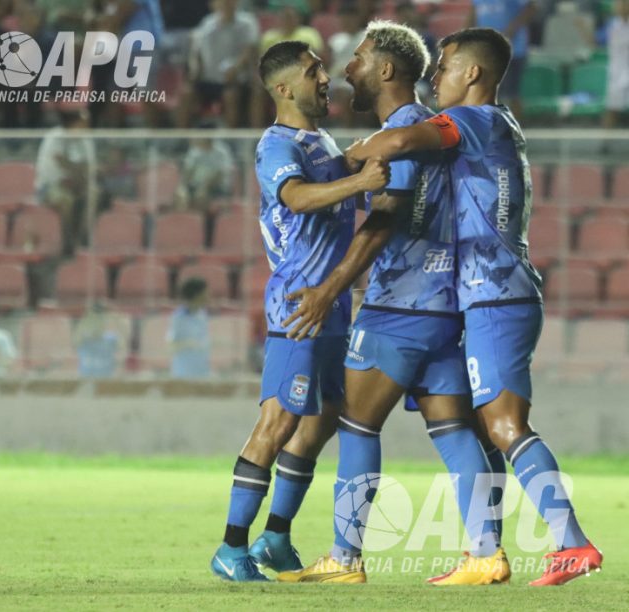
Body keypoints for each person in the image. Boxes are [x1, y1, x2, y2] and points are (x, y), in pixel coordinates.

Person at [341, 27, 602, 587]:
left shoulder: (471, 120)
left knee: (505, 426)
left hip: (495, 297)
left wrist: (355, 154)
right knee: (486, 428)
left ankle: (572, 543)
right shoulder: (494, 125)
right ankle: (486, 553)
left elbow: (399, 142)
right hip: (494, 296)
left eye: (444, 67)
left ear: (473, 73)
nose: (435, 78)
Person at [276, 21, 505, 586]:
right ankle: (486, 552)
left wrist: (329, 290)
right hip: (445, 307)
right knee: (452, 429)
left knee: (356, 424)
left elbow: (383, 220)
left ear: (384, 69)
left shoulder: (404, 131)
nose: (346, 69)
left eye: (356, 59)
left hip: (398, 306)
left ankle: (344, 557)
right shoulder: (432, 129)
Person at [210, 40, 389, 582]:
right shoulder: (277, 145)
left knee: (324, 418)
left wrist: (355, 165)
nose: (326, 77)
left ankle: (275, 537)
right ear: (285, 88)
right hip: (298, 303)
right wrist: (359, 179)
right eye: (314, 71)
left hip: (329, 304)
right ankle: (230, 549)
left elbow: (340, 195)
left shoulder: (321, 142)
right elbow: (295, 198)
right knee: (278, 420)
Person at [178, 0, 259, 128]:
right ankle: (181, 136)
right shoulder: (207, 23)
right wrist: (195, 69)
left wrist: (236, 68)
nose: (226, 3)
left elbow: (249, 51)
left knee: (230, 96)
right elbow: (197, 50)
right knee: (186, 93)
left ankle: (230, 137)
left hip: (234, 80)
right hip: (208, 79)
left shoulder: (247, 22)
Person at [35, 108, 98, 255]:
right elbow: (53, 166)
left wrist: (75, 172)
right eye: (82, 124)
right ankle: (66, 244)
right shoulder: (55, 137)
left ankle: (82, 240)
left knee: (94, 194)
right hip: (50, 187)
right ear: (72, 123)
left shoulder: (86, 140)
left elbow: (89, 167)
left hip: (79, 184)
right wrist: (74, 170)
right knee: (65, 199)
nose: (86, 127)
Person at [466, 0, 536, 119]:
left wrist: (511, 29)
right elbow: (473, 15)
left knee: (511, 94)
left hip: (513, 50)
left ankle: (515, 126)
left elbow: (532, 7)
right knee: (488, 92)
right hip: (487, 51)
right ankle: (493, 125)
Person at [167, 277, 211, 380]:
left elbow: (203, 341)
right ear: (197, 295)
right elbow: (172, 345)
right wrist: (190, 343)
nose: (208, 296)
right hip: (183, 372)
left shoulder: (202, 315)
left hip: (202, 370)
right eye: (205, 293)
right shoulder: (179, 318)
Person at [74, 304, 121, 378]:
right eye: (93, 320)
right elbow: (75, 340)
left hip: (106, 381)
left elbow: (123, 347)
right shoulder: (83, 339)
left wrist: (116, 320)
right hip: (86, 381)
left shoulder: (111, 338)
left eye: (100, 319)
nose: (96, 323)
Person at [603, 0, 629, 128]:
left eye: (625, 3)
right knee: (611, 110)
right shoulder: (612, 25)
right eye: (619, 3)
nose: (621, 6)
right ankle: (605, 139)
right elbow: (596, 43)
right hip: (617, 73)